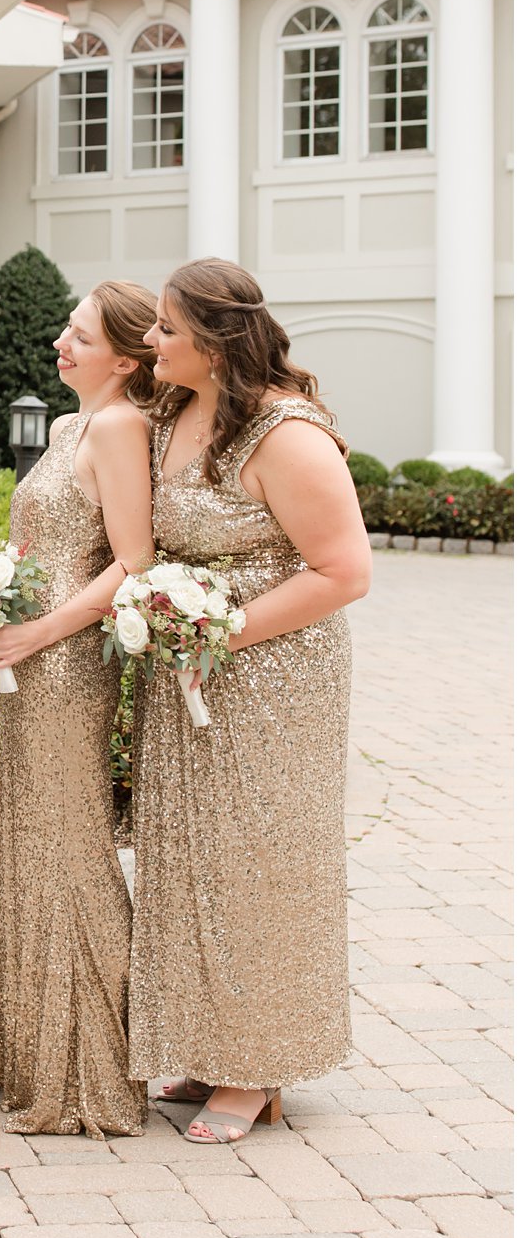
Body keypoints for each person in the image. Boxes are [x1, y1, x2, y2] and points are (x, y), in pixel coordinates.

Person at [132, 258, 372, 1144]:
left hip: (274, 675)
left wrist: (215, 632)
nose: (150, 342)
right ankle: (208, 1040)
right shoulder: (176, 412)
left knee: (261, 857)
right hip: (190, 667)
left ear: (213, 338)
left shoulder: (288, 433)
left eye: (164, 328)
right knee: (192, 855)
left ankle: (257, 1065)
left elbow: (345, 571)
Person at [0, 282, 157, 1136]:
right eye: (65, 330)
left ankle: (91, 1066)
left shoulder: (122, 425)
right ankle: (34, 1051)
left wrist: (39, 633)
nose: (60, 342)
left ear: (126, 358)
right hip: (24, 657)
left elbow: (132, 560)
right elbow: (39, 543)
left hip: (66, 665)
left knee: (72, 842)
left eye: (79, 335)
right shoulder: (62, 427)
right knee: (33, 842)